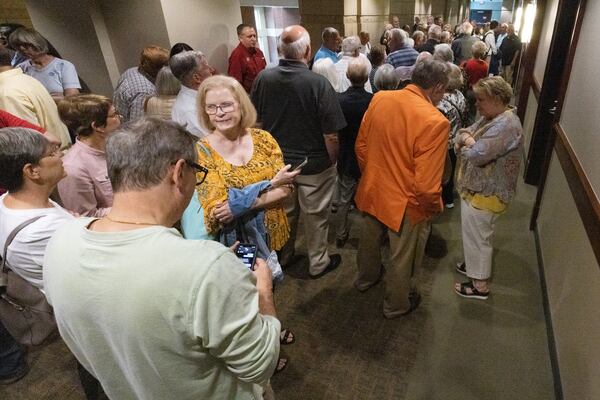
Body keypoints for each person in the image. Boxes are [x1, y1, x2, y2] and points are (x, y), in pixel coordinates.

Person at [43, 117, 281, 399]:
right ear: (179, 172)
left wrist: (212, 277)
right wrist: (263, 292)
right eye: (198, 173)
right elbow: (261, 364)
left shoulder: (59, 241)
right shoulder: (206, 266)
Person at [353, 59, 450, 318]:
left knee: (369, 240)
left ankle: (365, 279)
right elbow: (428, 186)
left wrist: (372, 174)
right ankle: (396, 305)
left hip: (373, 186)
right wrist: (432, 209)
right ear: (438, 88)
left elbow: (361, 147)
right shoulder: (435, 121)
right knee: (402, 256)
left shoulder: (380, 98)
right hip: (406, 201)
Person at [251, 25, 346, 278]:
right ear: (307, 50)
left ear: (281, 50)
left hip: (279, 165)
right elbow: (331, 134)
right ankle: (318, 262)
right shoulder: (318, 83)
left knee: (285, 213)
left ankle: (284, 256)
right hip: (314, 164)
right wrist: (331, 161)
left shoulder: (263, 78)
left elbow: (256, 124)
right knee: (316, 217)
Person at [0, 127, 73, 384]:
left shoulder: (10, 201)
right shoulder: (40, 229)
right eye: (52, 152)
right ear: (32, 171)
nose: (61, 154)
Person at [454, 76, 523, 299]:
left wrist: (468, 142)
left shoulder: (506, 125)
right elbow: (466, 131)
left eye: (481, 100)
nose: (477, 104)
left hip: (488, 191)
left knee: (479, 237)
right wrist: (468, 139)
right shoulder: (492, 117)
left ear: (495, 99)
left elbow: (477, 155)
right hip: (480, 187)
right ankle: (474, 267)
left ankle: (479, 285)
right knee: (475, 233)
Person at [57, 94, 121, 217]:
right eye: (114, 115)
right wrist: (135, 208)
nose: (119, 117)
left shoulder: (117, 146)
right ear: (97, 126)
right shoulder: (73, 167)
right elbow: (85, 216)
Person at [334, 59, 373, 248]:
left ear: (348, 76)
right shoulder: (373, 101)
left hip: (347, 155)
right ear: (366, 78)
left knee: (343, 199)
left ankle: (341, 234)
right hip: (368, 158)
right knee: (370, 199)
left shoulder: (339, 101)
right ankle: (371, 234)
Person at [0, 47, 71, 148]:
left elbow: (28, 144)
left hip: (50, 157)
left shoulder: (6, 93)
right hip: (58, 153)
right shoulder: (25, 79)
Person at [9, 28, 80, 102]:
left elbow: (73, 98)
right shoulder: (21, 68)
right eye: (18, 46)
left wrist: (38, 100)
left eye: (25, 45)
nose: (21, 49)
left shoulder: (63, 66)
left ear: (36, 43)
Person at [436, 63, 468, 208]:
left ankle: (442, 199)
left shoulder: (441, 101)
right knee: (452, 169)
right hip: (456, 141)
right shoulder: (460, 95)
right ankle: (449, 199)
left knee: (441, 172)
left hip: (444, 143)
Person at [113, 45, 169, 123]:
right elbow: (137, 127)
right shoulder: (144, 92)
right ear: (159, 69)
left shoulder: (131, 71)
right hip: (130, 131)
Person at [170, 50, 212, 137]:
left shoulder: (200, 97)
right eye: (207, 67)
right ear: (197, 78)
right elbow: (211, 142)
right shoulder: (190, 110)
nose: (211, 69)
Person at [228, 24, 266, 93]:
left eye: (254, 36)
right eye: (249, 36)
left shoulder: (259, 52)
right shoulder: (237, 55)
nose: (253, 39)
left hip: (262, 92)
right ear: (240, 38)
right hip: (249, 95)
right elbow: (235, 82)